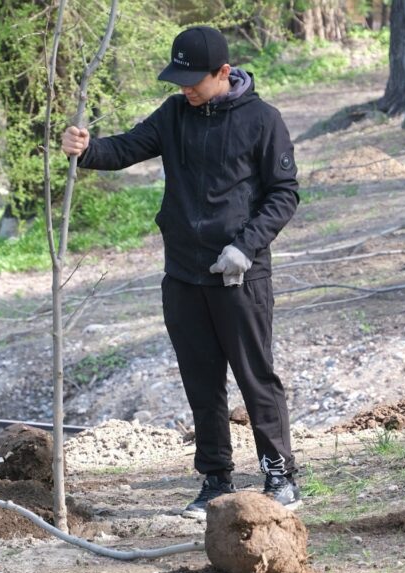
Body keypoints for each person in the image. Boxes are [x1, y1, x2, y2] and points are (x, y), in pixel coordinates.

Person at [60, 26, 301, 519]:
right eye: (179, 79)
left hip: (238, 275)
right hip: (183, 276)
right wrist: (85, 148)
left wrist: (245, 247)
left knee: (256, 377)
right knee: (201, 381)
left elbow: (284, 194)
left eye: (195, 80)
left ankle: (281, 475)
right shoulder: (174, 115)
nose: (186, 88)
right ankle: (215, 479)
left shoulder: (262, 120)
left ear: (224, 73)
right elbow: (124, 149)